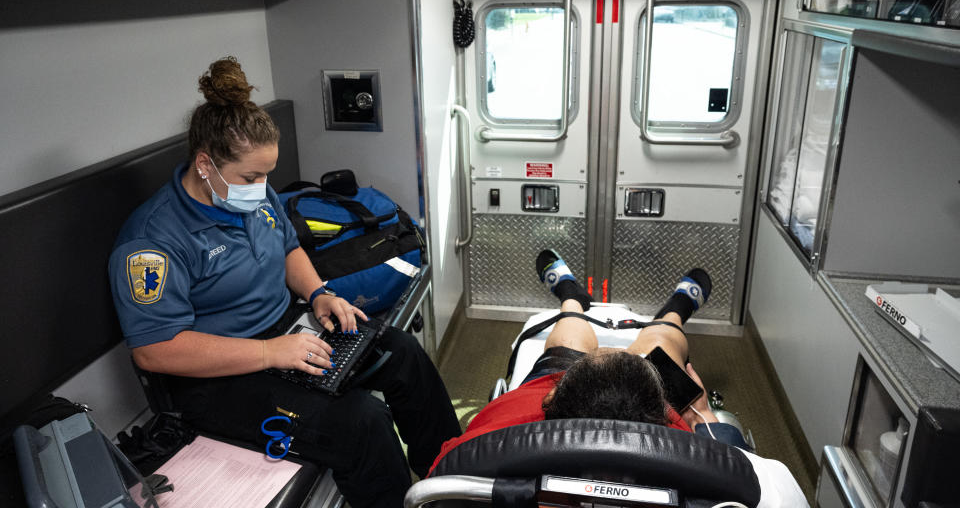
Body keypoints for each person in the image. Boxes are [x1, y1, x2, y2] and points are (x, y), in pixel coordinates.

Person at [108, 56, 461, 508]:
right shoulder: (152, 242)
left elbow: (289, 247)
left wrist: (318, 293)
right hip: (217, 379)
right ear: (204, 164)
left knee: (404, 355)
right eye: (251, 177)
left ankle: (451, 480)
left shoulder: (252, 197)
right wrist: (268, 352)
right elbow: (154, 350)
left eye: (266, 175)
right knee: (363, 421)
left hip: (285, 333)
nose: (262, 186)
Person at [430, 250, 808, 507]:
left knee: (567, 338)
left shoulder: (478, 453)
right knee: (659, 343)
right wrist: (709, 423)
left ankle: (572, 300)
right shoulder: (723, 469)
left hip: (541, 404)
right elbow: (749, 469)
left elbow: (443, 468)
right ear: (664, 413)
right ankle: (675, 311)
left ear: (551, 399)